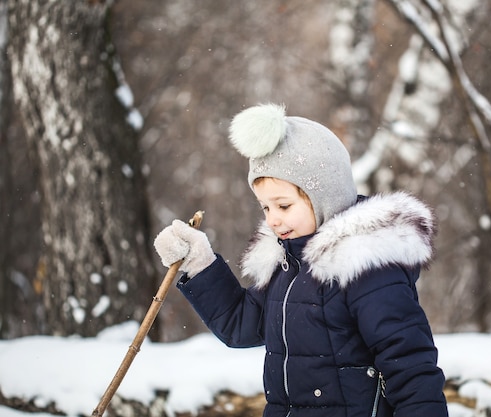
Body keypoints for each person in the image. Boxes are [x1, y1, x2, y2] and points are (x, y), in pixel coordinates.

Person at [154, 103, 448, 417]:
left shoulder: (367, 267)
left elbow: (409, 362)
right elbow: (240, 325)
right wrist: (199, 263)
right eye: (266, 208)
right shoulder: (286, 267)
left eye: (283, 205)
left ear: (325, 196)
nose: (273, 220)